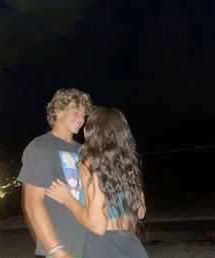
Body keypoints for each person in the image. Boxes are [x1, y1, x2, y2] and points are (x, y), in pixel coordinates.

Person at [46, 106, 149, 258]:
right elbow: (141, 212)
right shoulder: (129, 164)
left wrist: (67, 199)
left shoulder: (89, 165)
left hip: (103, 246)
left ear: (92, 131)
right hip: (131, 244)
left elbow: (97, 226)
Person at [17, 88, 93, 258]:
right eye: (75, 110)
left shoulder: (83, 151)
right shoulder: (40, 147)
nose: (81, 119)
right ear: (58, 111)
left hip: (91, 243)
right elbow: (32, 203)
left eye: (83, 114)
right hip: (63, 248)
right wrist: (55, 249)